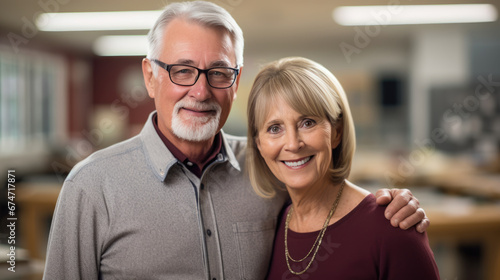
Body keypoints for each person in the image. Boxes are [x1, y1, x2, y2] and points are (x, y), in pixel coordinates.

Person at [43, 1, 430, 279]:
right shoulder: (91, 187)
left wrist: (395, 204)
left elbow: (331, 199)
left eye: (218, 72)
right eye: (182, 70)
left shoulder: (266, 167)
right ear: (149, 76)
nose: (200, 91)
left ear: (236, 81)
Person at [246, 56, 440, 279]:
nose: (292, 144)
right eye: (274, 128)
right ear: (259, 144)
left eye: (307, 122)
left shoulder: (393, 227)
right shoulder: (272, 226)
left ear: (336, 132)